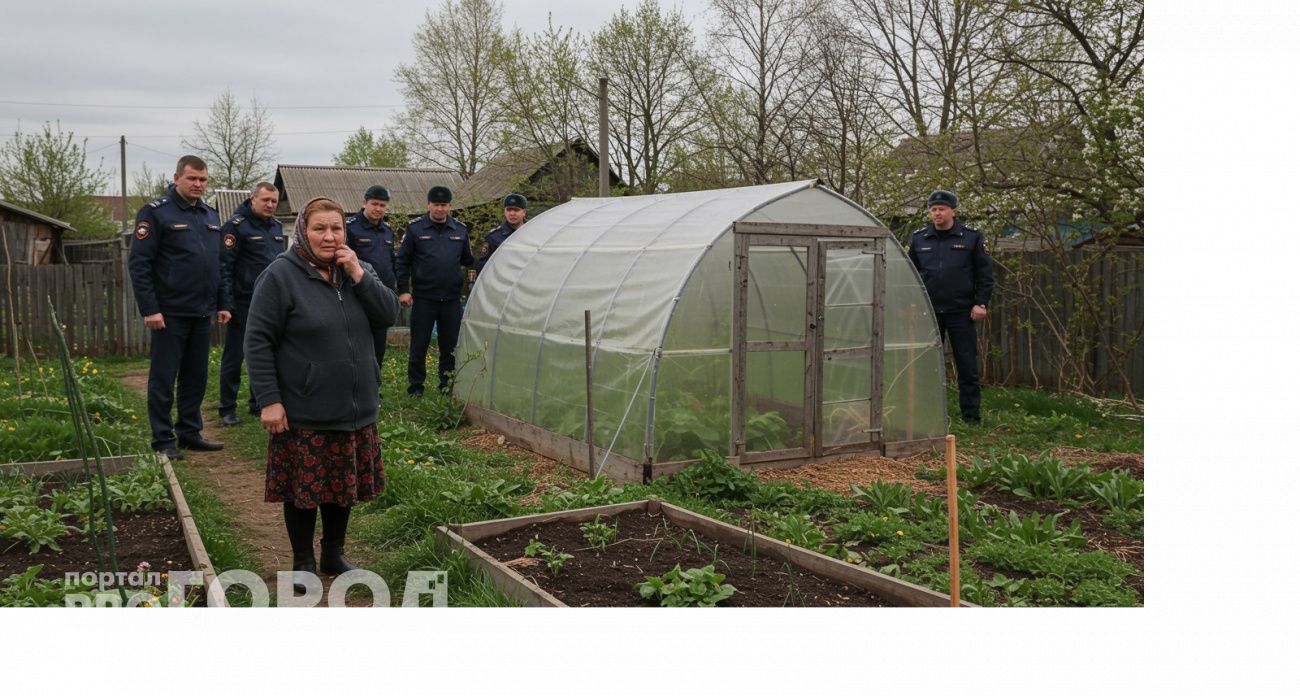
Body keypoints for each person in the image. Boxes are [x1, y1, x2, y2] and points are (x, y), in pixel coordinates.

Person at [244, 196, 398, 589]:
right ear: (303, 231)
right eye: (320, 229)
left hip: (354, 405)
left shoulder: (358, 270)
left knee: (341, 484)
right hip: (304, 407)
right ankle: (302, 561)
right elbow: (258, 341)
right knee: (303, 489)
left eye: (336, 228)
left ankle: (333, 553)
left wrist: (358, 273)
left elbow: (389, 314)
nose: (329, 237)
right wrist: (269, 400)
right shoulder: (280, 276)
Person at [127, 155, 228, 460]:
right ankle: (162, 439)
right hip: (169, 312)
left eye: (203, 179)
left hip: (202, 311)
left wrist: (223, 303)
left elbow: (218, 264)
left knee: (195, 377)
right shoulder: (156, 213)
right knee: (163, 378)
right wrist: (150, 309)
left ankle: (189, 432)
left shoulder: (210, 215)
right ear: (176, 178)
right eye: (192, 178)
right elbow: (140, 264)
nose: (198, 184)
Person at [907, 189, 994, 425]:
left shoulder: (971, 238)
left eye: (942, 209)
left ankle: (971, 417)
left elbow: (985, 274)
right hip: (928, 312)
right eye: (933, 209)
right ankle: (927, 416)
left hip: (961, 312)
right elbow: (908, 274)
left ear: (953, 211)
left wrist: (981, 302)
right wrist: (910, 304)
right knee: (925, 366)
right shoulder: (919, 239)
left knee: (967, 365)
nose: (937, 213)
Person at [394, 185, 474, 396]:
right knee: (419, 346)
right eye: (436, 205)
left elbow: (468, 260)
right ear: (428, 204)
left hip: (451, 299)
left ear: (450, 206)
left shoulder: (460, 230)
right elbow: (402, 261)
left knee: (450, 347)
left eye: (444, 205)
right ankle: (416, 388)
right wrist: (404, 290)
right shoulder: (415, 229)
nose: (440, 209)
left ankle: (447, 386)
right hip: (424, 298)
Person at [216, 182, 284, 426]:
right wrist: (225, 303)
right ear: (253, 199)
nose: (270, 205)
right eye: (265, 200)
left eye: (274, 201)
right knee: (235, 356)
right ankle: (227, 408)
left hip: (271, 301)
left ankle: (258, 402)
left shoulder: (276, 226)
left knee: (268, 354)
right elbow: (224, 267)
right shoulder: (236, 226)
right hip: (243, 301)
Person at [346, 185, 398, 390]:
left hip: (381, 296)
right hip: (358, 295)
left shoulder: (388, 231)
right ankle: (354, 387)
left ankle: (373, 388)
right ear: (364, 203)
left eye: (382, 205)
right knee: (356, 345)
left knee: (378, 346)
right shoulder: (351, 228)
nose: (378, 209)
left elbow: (391, 262)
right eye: (374, 204)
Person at [475, 192, 527, 274]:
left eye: (516, 210)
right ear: (504, 211)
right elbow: (483, 267)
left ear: (524, 212)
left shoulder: (533, 233)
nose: (512, 213)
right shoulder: (493, 237)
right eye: (509, 210)